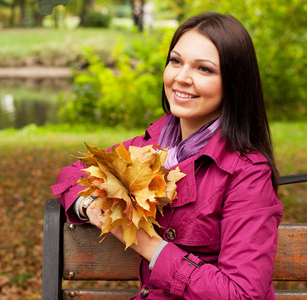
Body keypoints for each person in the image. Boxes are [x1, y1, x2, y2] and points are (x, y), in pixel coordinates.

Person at [52, 12, 283, 299]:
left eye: (204, 69)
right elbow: (73, 173)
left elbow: (243, 294)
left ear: (234, 83)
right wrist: (91, 205)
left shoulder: (247, 174)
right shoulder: (152, 145)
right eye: (176, 61)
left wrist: (147, 244)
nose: (181, 78)